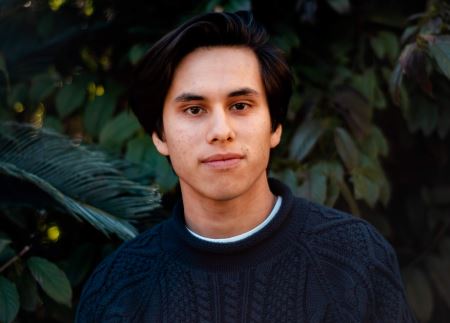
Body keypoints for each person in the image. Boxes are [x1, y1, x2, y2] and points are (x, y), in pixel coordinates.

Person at [76, 11, 416, 322]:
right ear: (160, 135)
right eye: (194, 110)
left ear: (275, 127)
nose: (221, 131)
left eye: (240, 105)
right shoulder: (117, 289)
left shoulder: (355, 257)